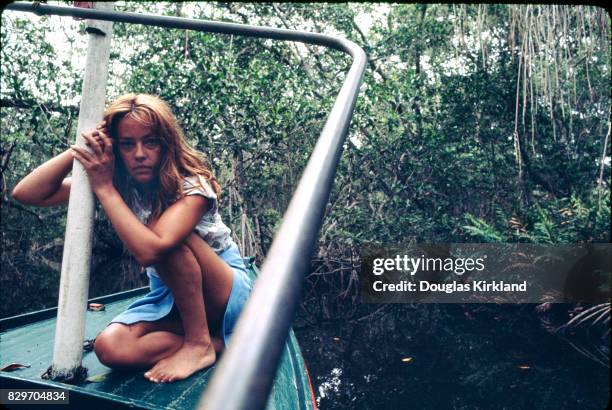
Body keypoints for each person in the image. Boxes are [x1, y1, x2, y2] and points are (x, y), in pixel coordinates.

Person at [11, 93, 252, 383]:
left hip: (223, 293)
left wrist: (103, 187)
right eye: (127, 143)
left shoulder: (193, 184)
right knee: (110, 348)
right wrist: (85, 149)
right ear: (115, 146)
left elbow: (153, 251)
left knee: (169, 241)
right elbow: (27, 193)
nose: (139, 153)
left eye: (150, 141)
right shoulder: (118, 181)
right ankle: (219, 343)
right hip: (171, 297)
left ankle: (199, 345)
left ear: (166, 144)